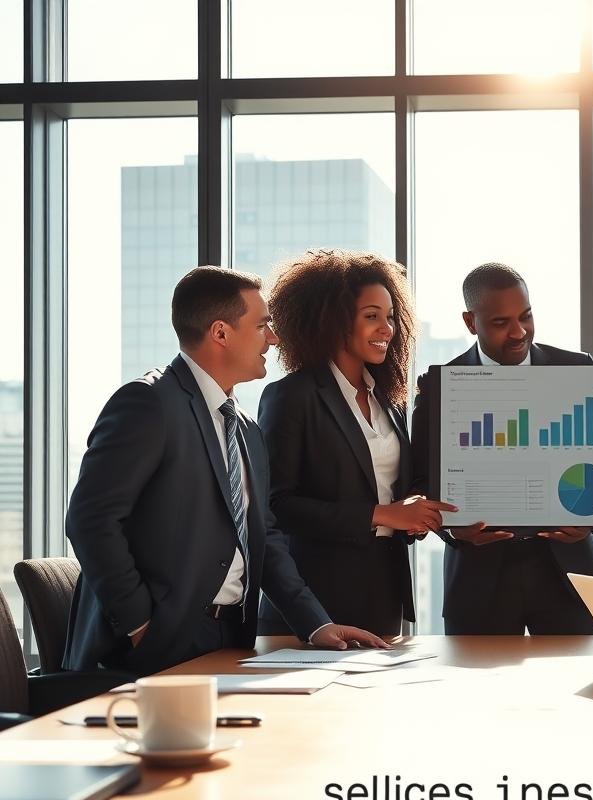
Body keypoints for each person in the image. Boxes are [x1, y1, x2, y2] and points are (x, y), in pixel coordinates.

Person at [64, 266, 387, 678]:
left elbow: (264, 538)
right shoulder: (148, 404)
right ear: (221, 333)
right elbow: (90, 519)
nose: (273, 338)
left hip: (230, 637)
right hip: (155, 643)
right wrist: (139, 623)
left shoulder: (246, 429)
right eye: (262, 325)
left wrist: (316, 624)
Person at [257, 250, 454, 638]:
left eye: (391, 317)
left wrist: (416, 512)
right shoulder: (292, 397)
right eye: (371, 316)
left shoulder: (390, 402)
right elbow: (277, 506)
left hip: (384, 594)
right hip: (314, 602)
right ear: (333, 321)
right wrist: (380, 514)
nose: (387, 328)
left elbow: (398, 486)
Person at [410, 262, 593, 635]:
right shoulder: (438, 386)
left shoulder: (578, 369)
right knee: (479, 692)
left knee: (582, 689)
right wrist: (453, 531)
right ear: (471, 322)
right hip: (479, 578)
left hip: (571, 576)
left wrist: (590, 521)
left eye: (526, 316)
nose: (519, 332)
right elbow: (420, 481)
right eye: (501, 322)